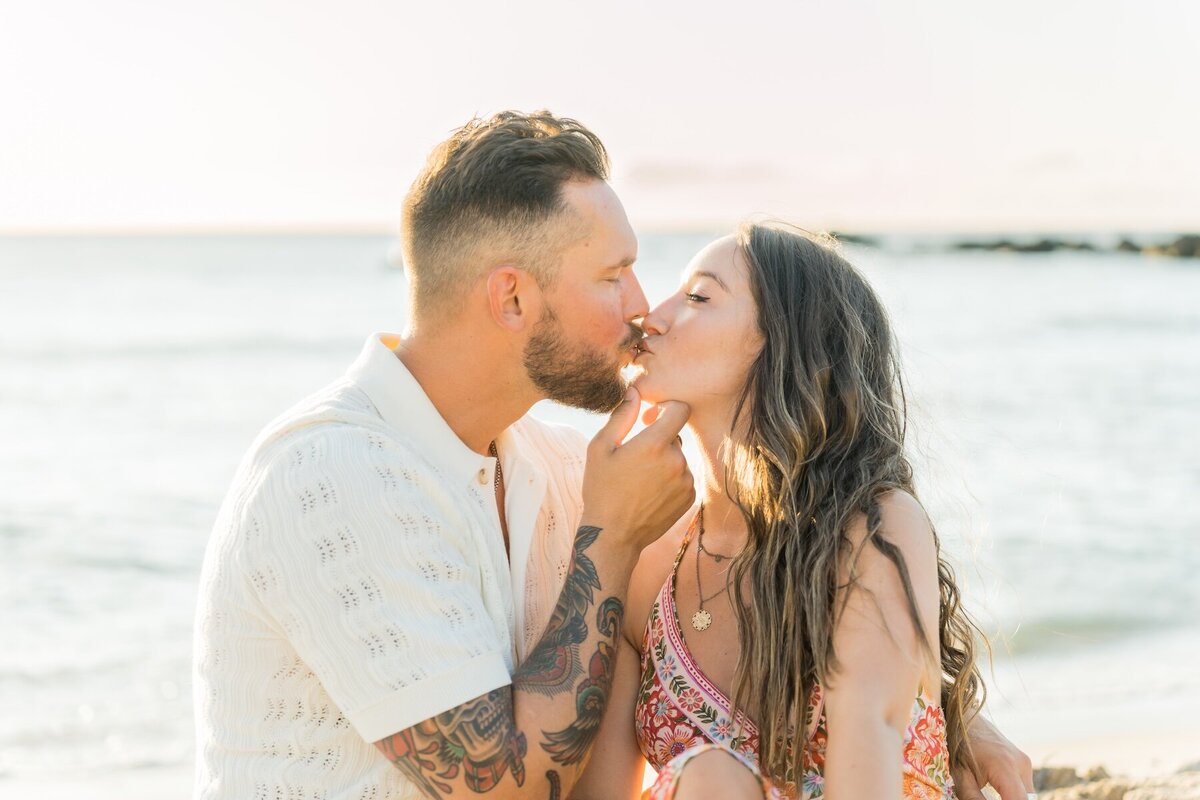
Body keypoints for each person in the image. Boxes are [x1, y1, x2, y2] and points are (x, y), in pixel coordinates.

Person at [194, 110, 1029, 800]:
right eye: (614, 277)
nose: (644, 310)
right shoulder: (335, 476)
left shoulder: (547, 466)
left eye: (669, 287)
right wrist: (612, 538)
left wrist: (942, 710)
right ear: (513, 297)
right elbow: (503, 785)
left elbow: (827, 608)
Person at [570, 225, 1035, 800]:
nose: (652, 317)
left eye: (698, 297)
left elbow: (873, 740)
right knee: (708, 778)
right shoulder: (649, 571)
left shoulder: (873, 529)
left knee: (710, 776)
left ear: (782, 343)